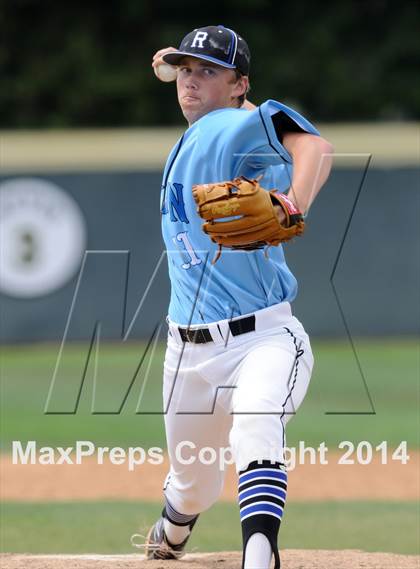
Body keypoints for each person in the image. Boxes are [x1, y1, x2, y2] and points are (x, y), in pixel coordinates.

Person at [140, 25, 333, 569]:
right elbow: (187, 76)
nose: (190, 82)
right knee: (192, 485)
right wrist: (177, 62)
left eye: (208, 72)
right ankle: (174, 526)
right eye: (184, 72)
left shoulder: (233, 124)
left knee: (255, 421)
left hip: (264, 339)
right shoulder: (203, 128)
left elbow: (315, 145)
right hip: (187, 352)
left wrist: (293, 203)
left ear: (239, 85)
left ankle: (260, 551)